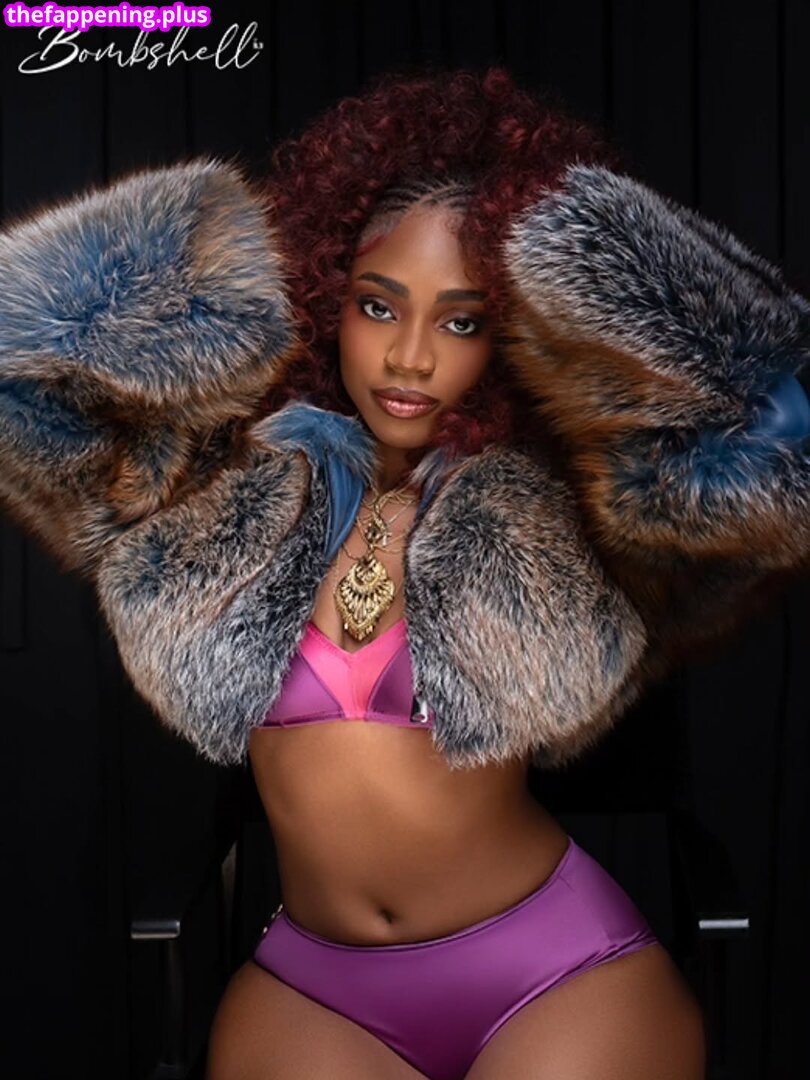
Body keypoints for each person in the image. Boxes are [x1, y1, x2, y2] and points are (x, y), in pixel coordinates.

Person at [2, 65, 809, 1079]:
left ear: (510, 334)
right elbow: (23, 368)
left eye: (462, 320)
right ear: (325, 297)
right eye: (379, 306)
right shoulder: (219, 490)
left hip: (556, 972)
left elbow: (770, 443)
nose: (411, 357)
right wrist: (217, 270)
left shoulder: (564, 504)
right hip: (319, 988)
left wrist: (591, 251)